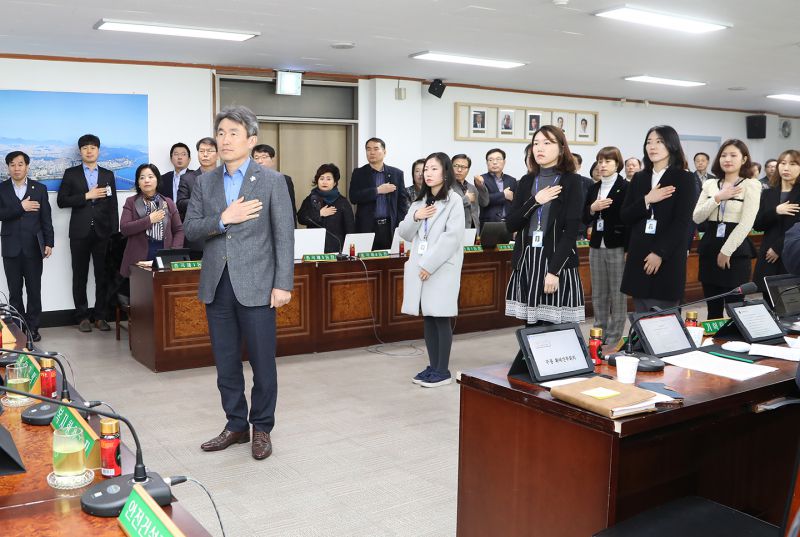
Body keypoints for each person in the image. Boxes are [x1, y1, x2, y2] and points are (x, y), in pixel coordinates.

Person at [184, 106, 294, 461]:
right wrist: (223, 219)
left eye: (233, 133)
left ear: (251, 140)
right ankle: (235, 424)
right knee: (226, 361)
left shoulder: (273, 181)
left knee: (263, 361)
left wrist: (283, 284)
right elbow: (191, 230)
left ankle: (262, 427)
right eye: (221, 133)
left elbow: (284, 237)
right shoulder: (205, 181)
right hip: (218, 284)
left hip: (260, 285)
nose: (225, 139)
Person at [505, 126, 585, 324]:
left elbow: (571, 232)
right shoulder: (525, 181)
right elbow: (511, 224)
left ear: (561, 148)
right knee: (531, 325)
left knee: (555, 327)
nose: (539, 148)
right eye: (536, 143)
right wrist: (535, 201)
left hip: (556, 260)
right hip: (528, 259)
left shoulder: (572, 181)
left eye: (547, 143)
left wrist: (553, 271)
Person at [399, 152, 465, 387]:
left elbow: (452, 238)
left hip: (441, 268)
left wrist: (429, 264)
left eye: (434, 169)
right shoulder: (419, 202)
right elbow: (405, 233)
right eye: (426, 169)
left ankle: (442, 370)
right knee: (428, 317)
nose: (428, 173)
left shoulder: (454, 201)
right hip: (420, 268)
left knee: (440, 317)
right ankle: (433, 365)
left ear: (445, 173)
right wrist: (416, 216)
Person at [620, 126, 695, 312]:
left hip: (667, 256)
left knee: (664, 319)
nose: (652, 147)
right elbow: (625, 215)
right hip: (639, 254)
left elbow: (682, 222)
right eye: (649, 142)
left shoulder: (683, 178)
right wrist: (647, 199)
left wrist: (660, 252)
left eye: (659, 142)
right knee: (641, 316)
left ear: (672, 145)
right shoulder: (639, 178)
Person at [57, 133, 119, 332]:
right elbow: (62, 201)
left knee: (102, 276)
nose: (89, 151)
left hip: (103, 232)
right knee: (80, 276)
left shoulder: (108, 174)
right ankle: (82, 316)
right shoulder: (71, 173)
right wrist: (87, 195)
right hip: (79, 233)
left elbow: (113, 206)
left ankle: (101, 316)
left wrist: (114, 232)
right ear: (80, 151)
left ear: (99, 150)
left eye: (93, 147)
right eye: (85, 148)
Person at [692, 139, 760, 319]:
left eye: (733, 155)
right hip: (710, 245)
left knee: (735, 308)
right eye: (723, 155)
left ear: (744, 159)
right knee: (713, 309)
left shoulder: (751, 184)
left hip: (735, 250)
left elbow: (747, 223)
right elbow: (697, 216)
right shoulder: (710, 184)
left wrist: (726, 251)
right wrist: (718, 198)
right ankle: (712, 345)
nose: (727, 159)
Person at [0, 151, 53, 342]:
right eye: (12, 164)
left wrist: (49, 242)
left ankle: (33, 328)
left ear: (27, 166)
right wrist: (20, 207)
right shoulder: (2, 188)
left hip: (33, 247)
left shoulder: (39, 188)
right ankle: (18, 328)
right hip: (10, 247)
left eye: (20, 164)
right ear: (8, 167)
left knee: (33, 290)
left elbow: (46, 218)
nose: (16, 168)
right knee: (15, 292)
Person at [582, 146, 628, 346]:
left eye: (607, 161)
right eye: (600, 161)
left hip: (617, 244)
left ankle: (614, 336)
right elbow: (584, 217)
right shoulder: (594, 188)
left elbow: (629, 221)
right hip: (596, 245)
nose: (602, 165)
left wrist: (628, 248)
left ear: (617, 164)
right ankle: (599, 333)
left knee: (617, 293)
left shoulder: (625, 187)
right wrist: (592, 209)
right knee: (599, 292)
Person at [119, 164, 184, 278]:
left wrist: (174, 252)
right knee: (141, 292)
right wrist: (149, 220)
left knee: (162, 291)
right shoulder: (131, 202)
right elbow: (124, 228)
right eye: (142, 177)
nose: (146, 180)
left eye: (150, 176)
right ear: (138, 182)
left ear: (157, 180)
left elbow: (179, 230)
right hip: (139, 253)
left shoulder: (168, 202)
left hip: (164, 251)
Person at [753, 149, 800, 292]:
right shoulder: (768, 192)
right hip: (768, 253)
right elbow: (758, 224)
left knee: (790, 300)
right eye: (783, 163)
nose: (786, 168)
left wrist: (778, 247)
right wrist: (776, 211)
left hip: (793, 253)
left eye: (793, 164)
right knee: (768, 298)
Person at [349, 137, 408, 250]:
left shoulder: (396, 173)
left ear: (384, 152)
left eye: (376, 149)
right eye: (368, 149)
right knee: (368, 263)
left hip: (390, 227)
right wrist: (377, 191)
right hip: (367, 226)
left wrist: (400, 226)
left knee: (391, 262)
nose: (372, 152)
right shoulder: (359, 173)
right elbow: (353, 197)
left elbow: (402, 203)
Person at [296, 163, 355, 253]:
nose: (324, 182)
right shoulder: (310, 199)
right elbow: (301, 218)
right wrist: (319, 214)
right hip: (313, 248)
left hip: (336, 249)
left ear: (334, 182)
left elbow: (350, 229)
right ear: (317, 181)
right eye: (321, 178)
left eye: (328, 179)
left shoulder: (342, 202)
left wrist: (348, 251)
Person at [177, 137, 218, 259]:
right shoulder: (187, 178)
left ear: (218, 154)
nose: (205, 154)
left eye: (209, 151)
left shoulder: (225, 177)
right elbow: (180, 203)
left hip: (220, 238)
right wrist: (202, 202)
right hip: (197, 241)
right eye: (201, 151)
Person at [252, 144, 297, 226]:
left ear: (273, 160)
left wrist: (292, 231)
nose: (260, 161)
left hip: (278, 226)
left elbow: (290, 209)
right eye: (256, 158)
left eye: (264, 157)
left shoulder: (284, 180)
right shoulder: (249, 180)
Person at [474, 148, 516, 224]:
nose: (494, 162)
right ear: (487, 163)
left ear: (504, 162)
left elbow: (516, 204)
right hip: (488, 223)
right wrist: (504, 195)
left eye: (498, 159)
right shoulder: (481, 179)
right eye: (490, 160)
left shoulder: (512, 180)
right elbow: (483, 200)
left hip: (509, 223)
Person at [452, 154, 487, 229]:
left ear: (468, 169)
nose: (459, 170)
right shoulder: (446, 187)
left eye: (463, 167)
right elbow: (449, 207)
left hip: (474, 229)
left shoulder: (472, 187)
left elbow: (485, 202)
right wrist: (466, 199)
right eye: (456, 166)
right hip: (456, 229)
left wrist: (480, 186)